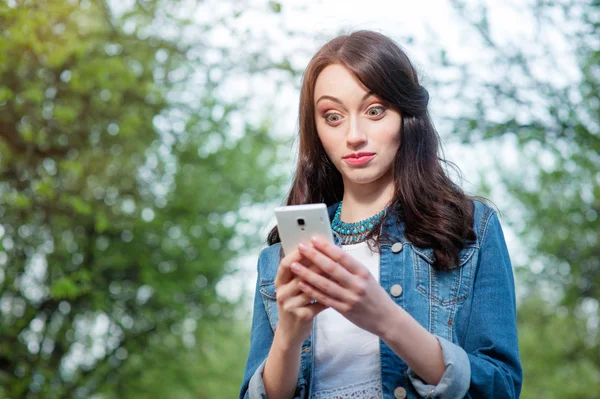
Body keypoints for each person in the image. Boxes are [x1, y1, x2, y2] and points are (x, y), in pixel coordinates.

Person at [239, 30, 522, 399]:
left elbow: (500, 386)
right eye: (333, 116)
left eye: (374, 111)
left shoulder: (471, 227)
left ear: (406, 115)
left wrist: (386, 319)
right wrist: (289, 340)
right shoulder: (280, 257)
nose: (354, 135)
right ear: (317, 130)